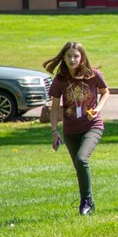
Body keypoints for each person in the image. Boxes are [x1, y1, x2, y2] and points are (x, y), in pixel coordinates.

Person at [44, 41, 110, 216]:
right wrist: (54, 131)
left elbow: (105, 92)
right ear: (63, 58)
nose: (72, 59)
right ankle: (88, 203)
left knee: (82, 159)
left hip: (92, 126)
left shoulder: (93, 75)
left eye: (76, 56)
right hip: (70, 130)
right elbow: (55, 107)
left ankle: (86, 202)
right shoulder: (60, 80)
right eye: (68, 56)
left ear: (82, 57)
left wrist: (97, 109)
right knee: (78, 167)